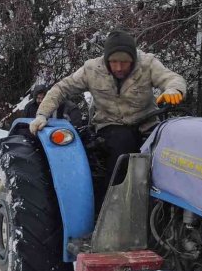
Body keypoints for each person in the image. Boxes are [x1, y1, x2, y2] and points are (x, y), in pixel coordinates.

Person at [29, 30, 186, 197]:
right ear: (106, 59)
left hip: (146, 122)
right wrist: (42, 115)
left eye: (124, 62)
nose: (119, 67)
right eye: (114, 62)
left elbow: (171, 78)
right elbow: (61, 88)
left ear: (133, 58)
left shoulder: (148, 64)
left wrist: (173, 89)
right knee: (123, 145)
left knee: (171, 147)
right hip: (110, 125)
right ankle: (113, 199)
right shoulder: (92, 69)